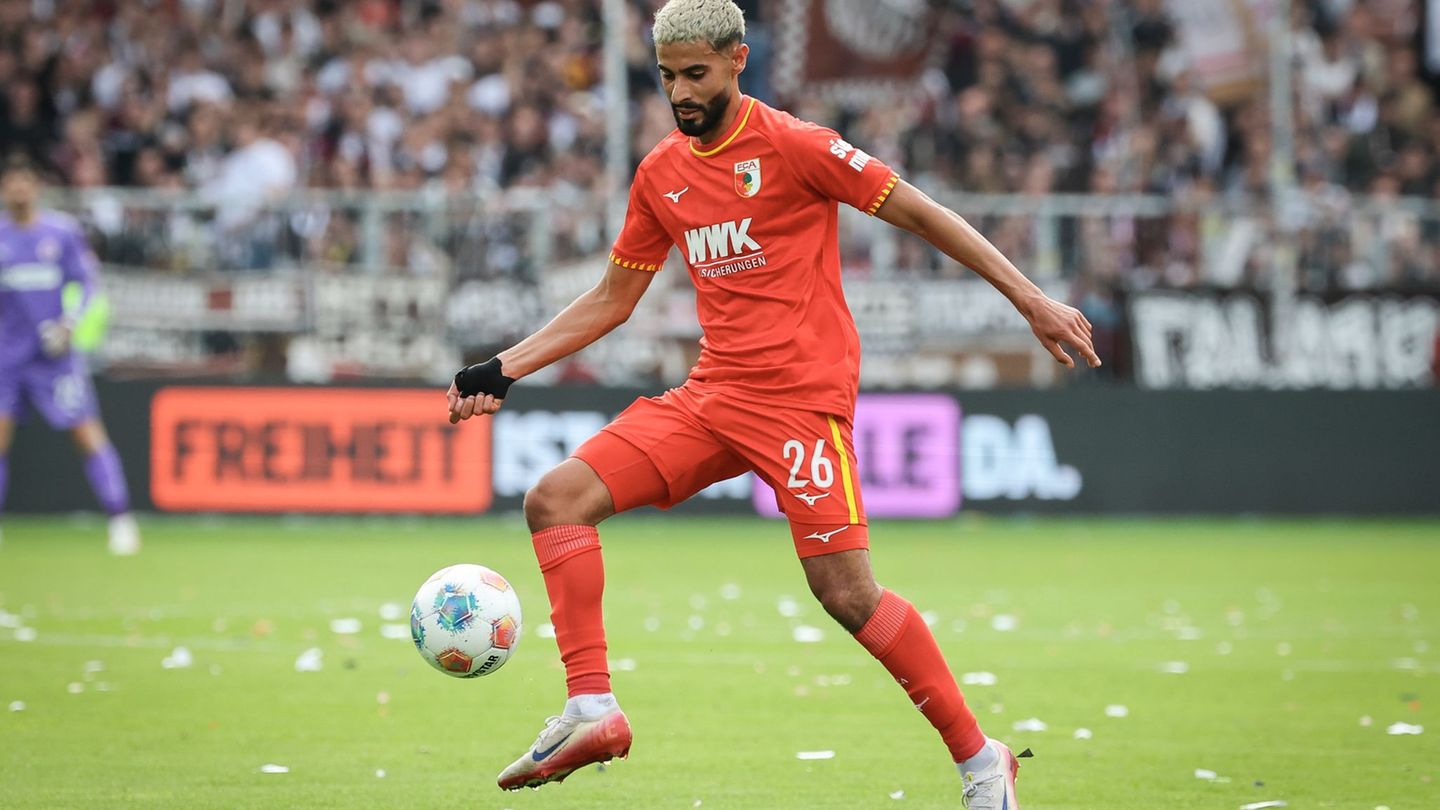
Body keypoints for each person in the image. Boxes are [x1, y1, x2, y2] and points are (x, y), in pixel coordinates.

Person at [447, 1, 1098, 805]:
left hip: (800, 407)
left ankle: (979, 759)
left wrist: (1030, 298)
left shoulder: (796, 145)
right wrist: (502, 368)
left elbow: (923, 212)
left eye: (696, 74)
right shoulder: (660, 173)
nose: (681, 93)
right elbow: (614, 298)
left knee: (847, 595)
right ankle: (592, 709)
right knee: (555, 500)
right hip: (713, 395)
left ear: (737, 60)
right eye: (668, 77)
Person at [0, 156, 140, 555]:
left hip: (54, 357)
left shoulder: (60, 233)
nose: (18, 190)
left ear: (37, 187)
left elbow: (88, 285)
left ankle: (121, 519)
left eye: (24, 182)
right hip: (7, 358)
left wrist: (70, 322)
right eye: (11, 183)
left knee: (86, 433)